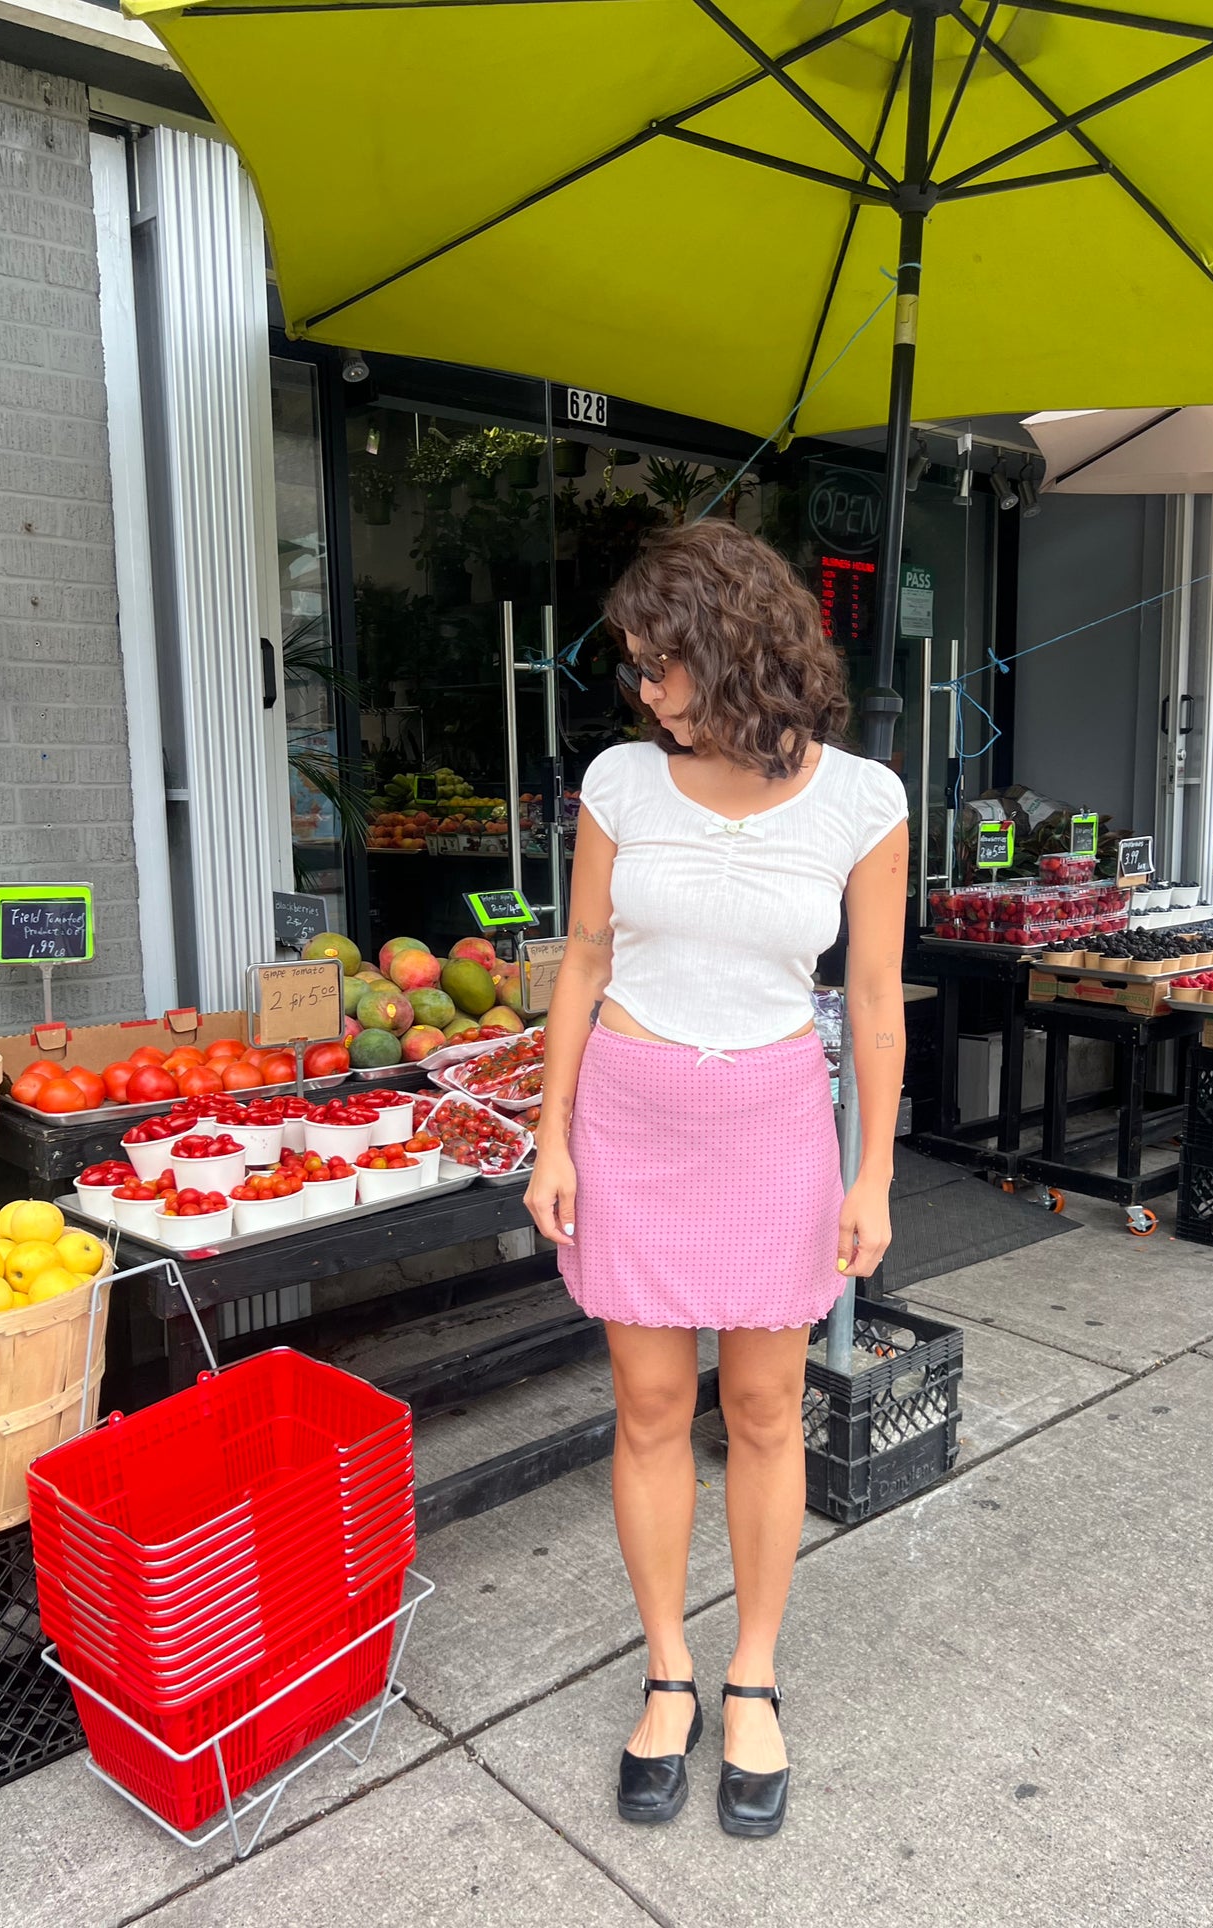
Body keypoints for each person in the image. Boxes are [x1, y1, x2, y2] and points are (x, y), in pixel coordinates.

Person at [524, 520, 908, 1839]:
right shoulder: (621, 784)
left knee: (759, 1405)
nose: (642, 688)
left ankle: (751, 1671)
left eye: (659, 663)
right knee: (643, 1403)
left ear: (731, 653)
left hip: (771, 1121)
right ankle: (666, 1670)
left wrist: (873, 1177)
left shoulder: (863, 802)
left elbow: (870, 1001)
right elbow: (580, 960)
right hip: (630, 1118)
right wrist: (551, 1135)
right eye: (635, 666)